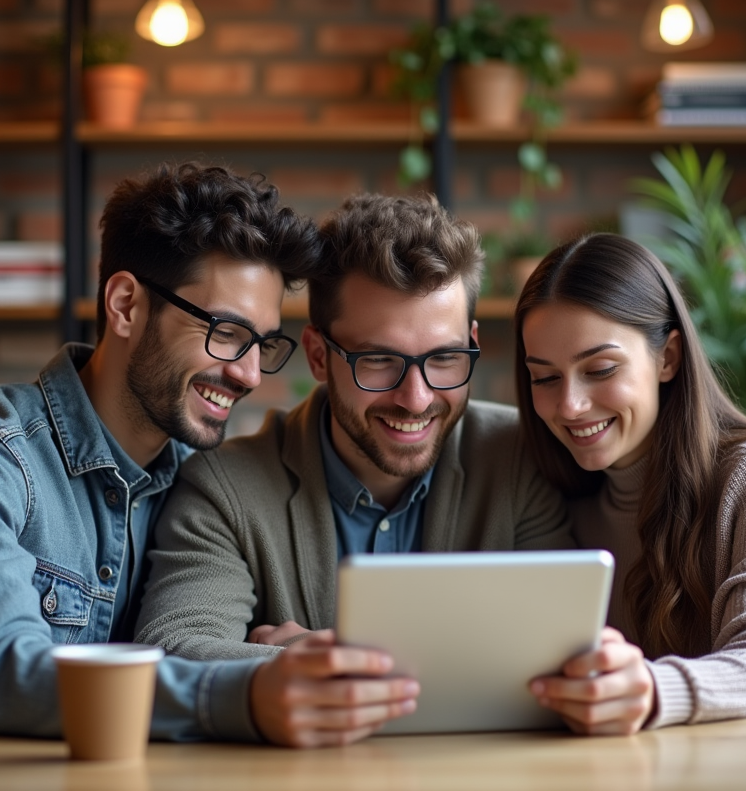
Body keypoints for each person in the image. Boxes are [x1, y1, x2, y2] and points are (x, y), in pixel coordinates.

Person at [0, 166, 419, 791]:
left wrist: (277, 655)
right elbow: (6, 681)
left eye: (262, 345)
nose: (248, 375)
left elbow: (225, 641)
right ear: (127, 305)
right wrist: (246, 690)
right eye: (226, 334)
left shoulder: (207, 483)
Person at [134, 193, 574, 661]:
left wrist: (316, 654)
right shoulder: (224, 491)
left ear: (472, 343)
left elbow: (560, 647)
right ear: (319, 356)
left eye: (444, 358)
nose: (416, 398)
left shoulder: (522, 456)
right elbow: (174, 651)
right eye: (379, 360)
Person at [514, 233, 746, 735]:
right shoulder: (555, 502)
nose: (570, 405)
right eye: (545, 378)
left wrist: (654, 692)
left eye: (600, 369)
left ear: (668, 358)